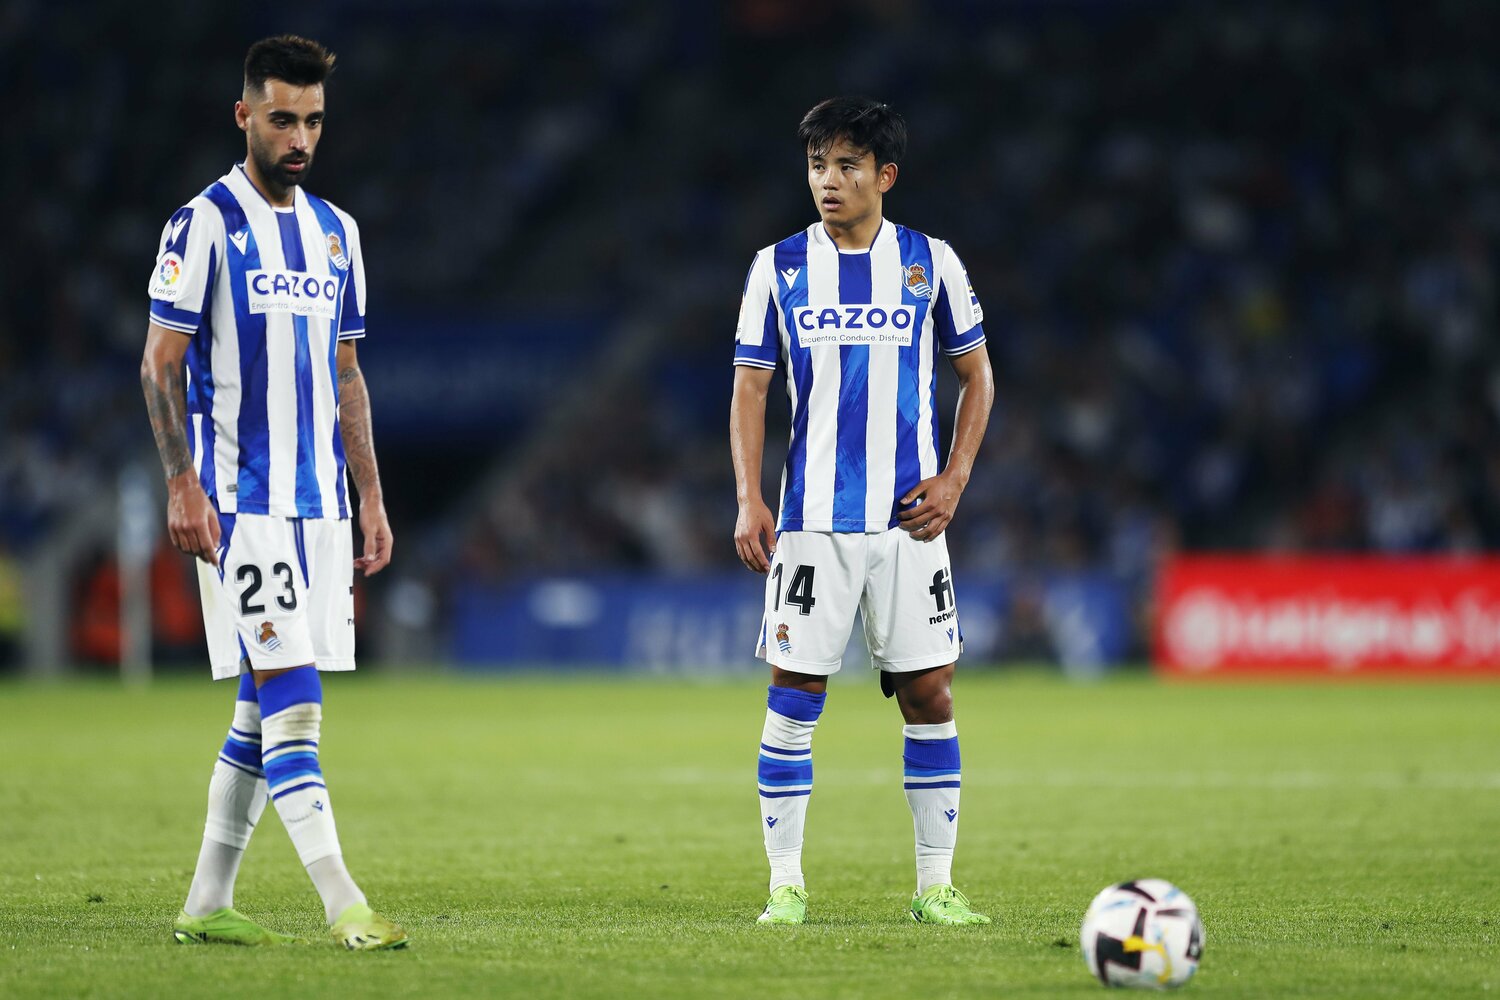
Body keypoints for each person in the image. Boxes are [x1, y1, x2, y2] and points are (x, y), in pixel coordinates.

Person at [140, 35, 406, 950]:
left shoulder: (338, 233)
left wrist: (370, 497)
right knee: (295, 699)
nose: (300, 138)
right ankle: (344, 904)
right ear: (244, 114)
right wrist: (182, 483)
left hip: (319, 507)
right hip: (238, 509)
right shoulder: (203, 223)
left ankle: (206, 902)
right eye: (283, 119)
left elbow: (347, 374)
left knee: (259, 713)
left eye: (314, 121)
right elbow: (160, 363)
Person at [730, 97, 995, 926]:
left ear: (885, 176)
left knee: (931, 694)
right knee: (794, 695)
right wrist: (749, 496)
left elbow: (977, 377)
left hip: (909, 521)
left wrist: (954, 479)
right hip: (812, 521)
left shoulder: (931, 263)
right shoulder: (777, 267)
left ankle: (934, 887)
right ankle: (785, 885)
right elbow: (750, 389)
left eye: (847, 165)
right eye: (818, 165)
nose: (828, 180)